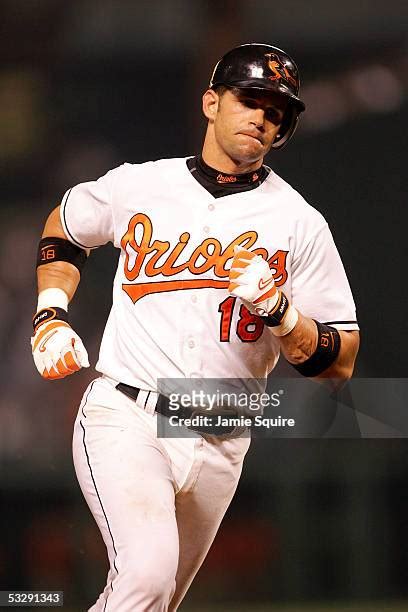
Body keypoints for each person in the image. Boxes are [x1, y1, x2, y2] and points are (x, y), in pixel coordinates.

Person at [31, 43, 359, 611]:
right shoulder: (140, 184)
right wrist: (50, 312)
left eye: (277, 111)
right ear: (212, 102)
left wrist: (282, 314)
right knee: (146, 580)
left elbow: (340, 362)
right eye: (250, 99)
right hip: (127, 412)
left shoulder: (300, 223)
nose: (262, 117)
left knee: (152, 602)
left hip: (222, 438)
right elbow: (67, 222)